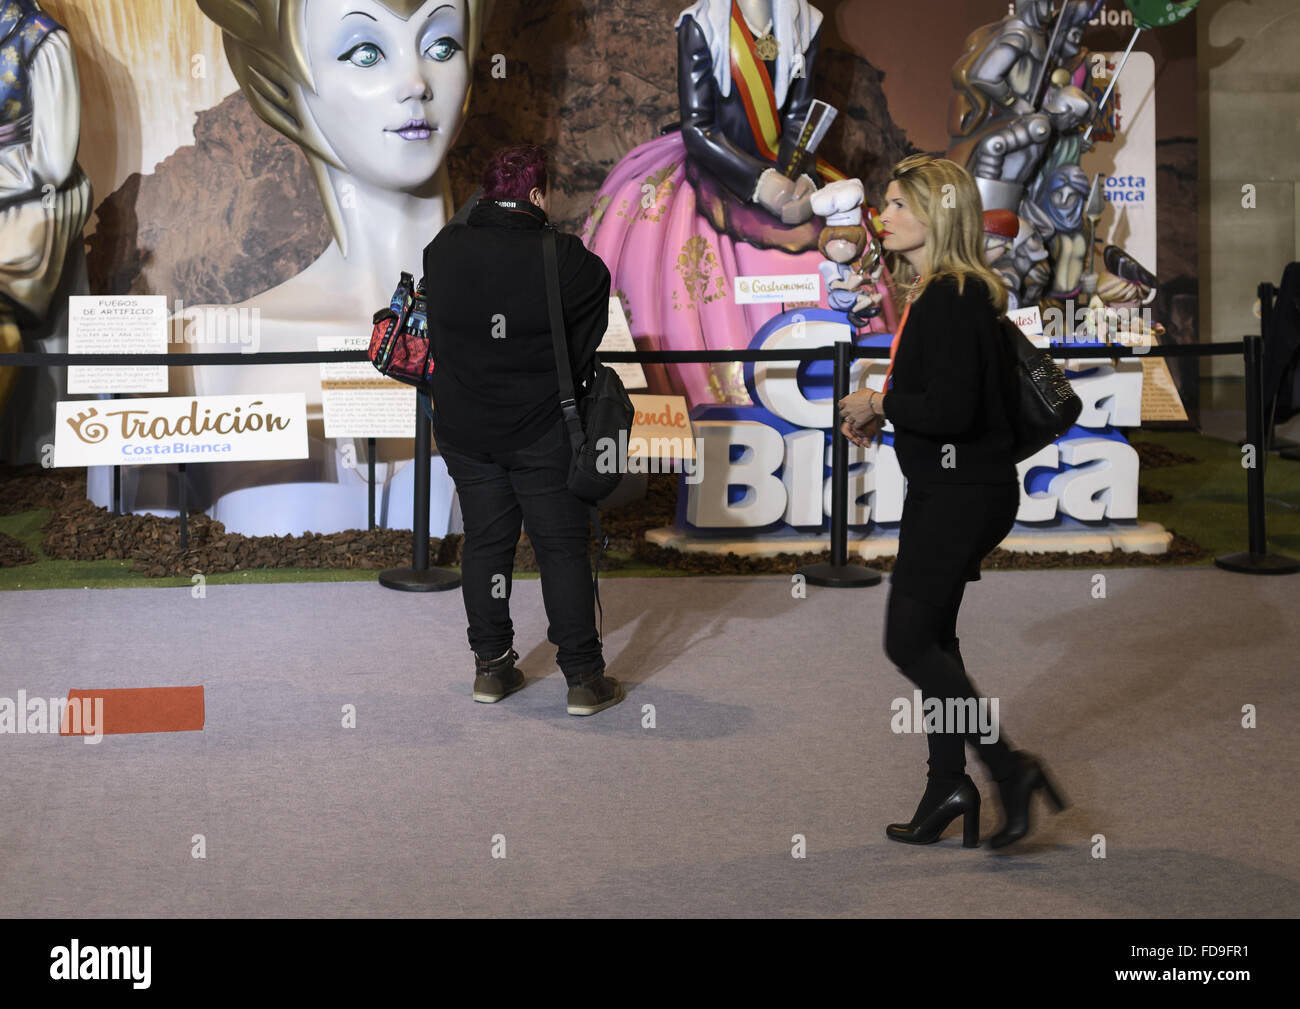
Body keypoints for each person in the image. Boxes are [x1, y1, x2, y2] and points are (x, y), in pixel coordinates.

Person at [838, 153, 1066, 849]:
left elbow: (954, 407)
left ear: (938, 213)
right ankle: (947, 785)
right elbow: (943, 395)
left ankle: (1007, 767)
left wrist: (877, 399)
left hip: (961, 492)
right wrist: (890, 407)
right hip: (953, 486)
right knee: (934, 637)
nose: (885, 215)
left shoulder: (952, 293)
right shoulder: (946, 290)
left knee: (906, 639)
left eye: (900, 204)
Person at [580, 0, 897, 408]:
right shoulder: (700, 25)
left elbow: (799, 112)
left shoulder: (805, 22)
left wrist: (795, 177)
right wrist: (763, 186)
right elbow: (699, 126)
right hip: (716, 165)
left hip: (788, 170)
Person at [424, 144, 624, 717]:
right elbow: (586, 335)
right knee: (561, 550)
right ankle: (583, 679)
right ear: (538, 196)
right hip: (542, 430)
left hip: (464, 429)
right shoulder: (563, 257)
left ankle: (491, 669)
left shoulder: (444, 250)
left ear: (484, 196)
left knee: (487, 543)